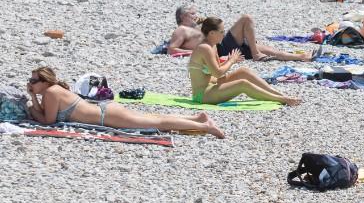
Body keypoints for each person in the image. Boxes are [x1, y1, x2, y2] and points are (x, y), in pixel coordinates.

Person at [25, 67, 225, 138]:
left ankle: (205, 126)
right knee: (153, 118)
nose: (30, 83)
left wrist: (31, 103)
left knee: (158, 124)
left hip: (107, 116)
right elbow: (45, 113)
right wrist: (34, 99)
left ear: (44, 82)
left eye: (34, 81)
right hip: (106, 111)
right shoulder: (53, 91)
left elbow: (48, 121)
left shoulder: (51, 92)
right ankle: (195, 117)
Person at [188, 18, 301, 106]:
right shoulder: (205, 48)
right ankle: (282, 99)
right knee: (242, 84)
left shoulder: (212, 45)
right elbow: (217, 73)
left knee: (244, 71)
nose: (224, 34)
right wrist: (231, 60)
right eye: (221, 31)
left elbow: (214, 70)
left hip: (213, 85)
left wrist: (229, 60)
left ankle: (278, 94)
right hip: (202, 95)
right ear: (212, 33)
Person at [168, 5, 310, 62]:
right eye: (191, 13)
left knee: (269, 50)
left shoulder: (195, 28)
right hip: (221, 47)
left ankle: (301, 57)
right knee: (246, 19)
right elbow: (172, 49)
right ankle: (256, 55)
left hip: (224, 46)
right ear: (182, 17)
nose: (195, 15)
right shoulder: (181, 30)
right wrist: (195, 54)